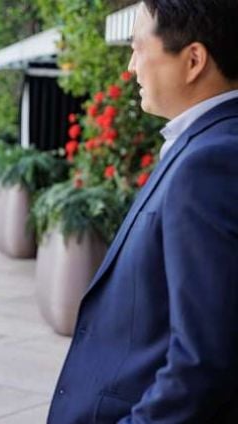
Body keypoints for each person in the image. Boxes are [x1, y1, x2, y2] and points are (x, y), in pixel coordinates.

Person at [48, 1, 238, 422]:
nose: (131, 66)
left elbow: (205, 357)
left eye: (137, 48)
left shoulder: (211, 162)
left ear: (193, 60)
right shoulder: (205, 143)